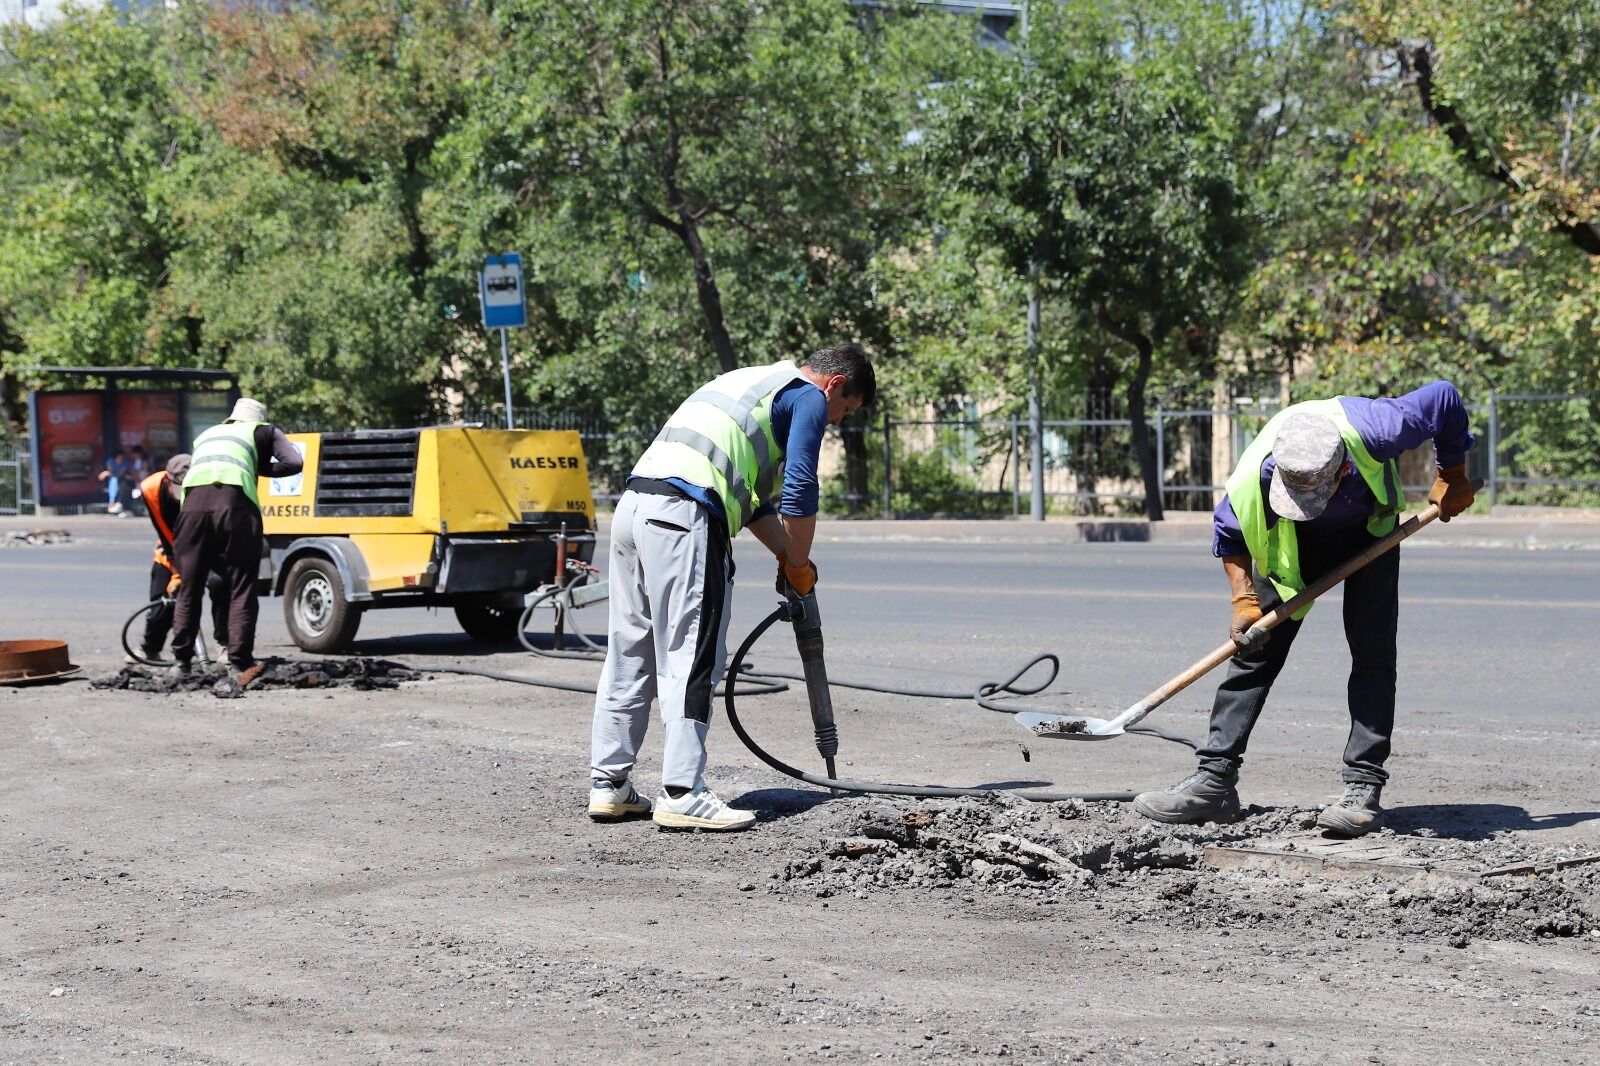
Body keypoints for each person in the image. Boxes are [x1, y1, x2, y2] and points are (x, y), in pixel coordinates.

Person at [1133, 381, 1476, 837]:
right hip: (1294, 550)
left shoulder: (1377, 428)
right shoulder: (1251, 480)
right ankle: (1214, 782)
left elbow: (1445, 398)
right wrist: (1244, 602)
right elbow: (1231, 538)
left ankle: (1363, 788)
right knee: (1253, 653)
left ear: (1341, 471)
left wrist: (1452, 471)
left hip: (1372, 530)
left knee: (1373, 655)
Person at [588, 343, 876, 831]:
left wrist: (786, 556)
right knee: (692, 654)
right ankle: (682, 792)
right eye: (844, 411)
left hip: (634, 508)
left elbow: (756, 502)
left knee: (631, 650)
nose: (835, 423)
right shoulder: (807, 395)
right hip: (684, 515)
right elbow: (801, 489)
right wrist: (801, 564)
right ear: (835, 384)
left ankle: (609, 786)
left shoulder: (751, 383)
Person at [167, 398, 304, 686]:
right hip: (234, 504)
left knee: (189, 587)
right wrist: (263, 469)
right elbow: (294, 462)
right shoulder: (264, 430)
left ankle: (180, 663)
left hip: (191, 508)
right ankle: (238, 662)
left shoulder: (206, 434)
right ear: (259, 419)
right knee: (241, 584)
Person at [130, 453, 227, 666]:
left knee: (219, 583)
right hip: (170, 547)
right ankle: (150, 647)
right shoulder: (151, 488)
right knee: (163, 598)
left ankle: (224, 644)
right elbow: (163, 530)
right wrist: (178, 570)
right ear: (167, 478)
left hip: (209, 546)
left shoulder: (209, 488)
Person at [98, 447, 135, 515]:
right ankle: (112, 502)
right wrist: (108, 473)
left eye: (122, 458)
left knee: (119, 481)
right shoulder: (110, 461)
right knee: (113, 480)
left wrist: (107, 473)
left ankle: (116, 504)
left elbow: (120, 474)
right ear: (115, 458)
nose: (120, 460)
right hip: (113, 480)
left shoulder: (126, 463)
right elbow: (111, 473)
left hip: (123, 481)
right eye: (119, 458)